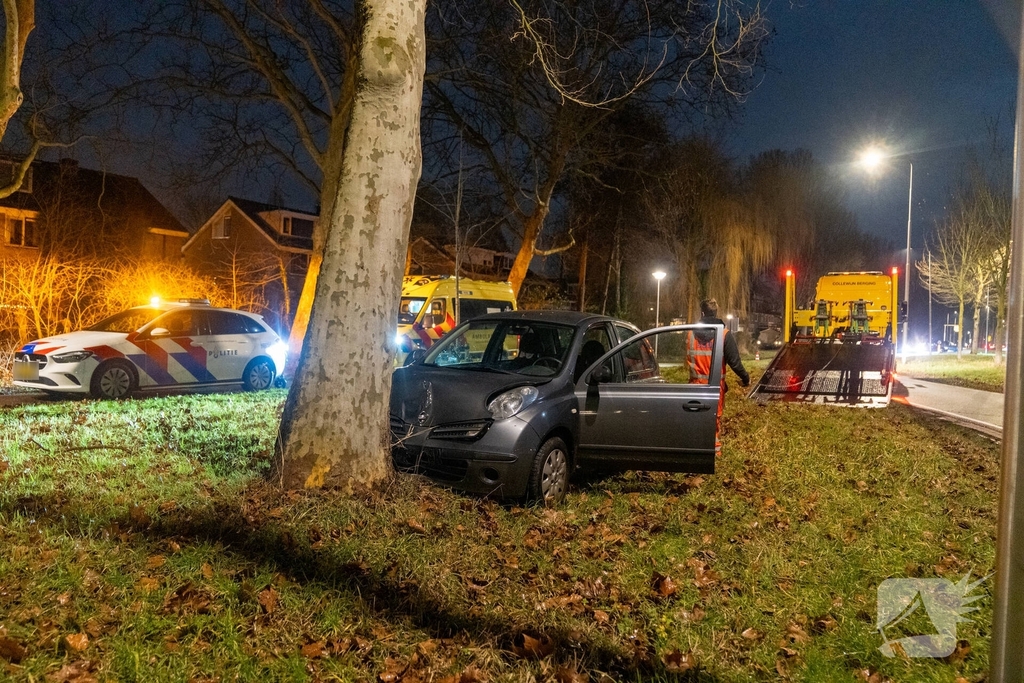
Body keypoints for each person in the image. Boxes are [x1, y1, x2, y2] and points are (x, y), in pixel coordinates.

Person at [686, 298, 750, 455]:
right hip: (715, 385)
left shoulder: (690, 334)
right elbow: (735, 362)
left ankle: (696, 448)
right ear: (716, 313)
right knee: (714, 417)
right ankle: (714, 452)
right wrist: (745, 378)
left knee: (695, 417)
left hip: (694, 384)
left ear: (702, 313)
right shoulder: (724, 335)